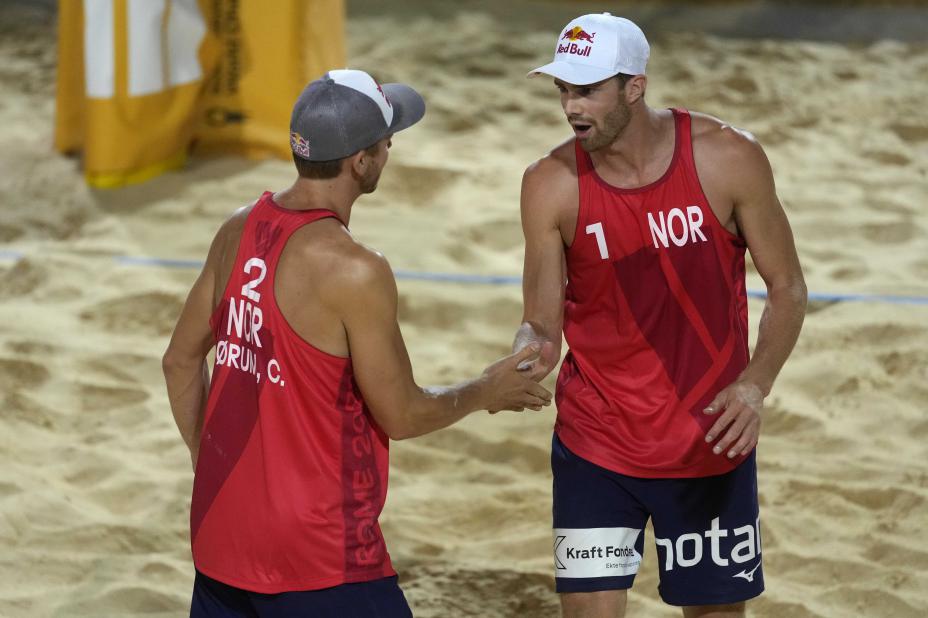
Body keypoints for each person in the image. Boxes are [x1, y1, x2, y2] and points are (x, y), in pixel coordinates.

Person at [162, 69, 552, 618]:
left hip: (220, 541)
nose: (391, 148)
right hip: (320, 556)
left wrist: (213, 467)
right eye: (386, 140)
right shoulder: (355, 270)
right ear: (361, 162)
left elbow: (179, 362)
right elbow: (402, 414)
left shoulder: (237, 228)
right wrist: (485, 390)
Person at [513, 13, 808, 618]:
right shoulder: (549, 183)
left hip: (708, 439)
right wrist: (526, 356)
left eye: (587, 90)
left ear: (635, 87)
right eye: (563, 90)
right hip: (595, 443)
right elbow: (541, 324)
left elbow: (787, 287)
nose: (571, 107)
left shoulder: (728, 157)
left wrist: (755, 384)